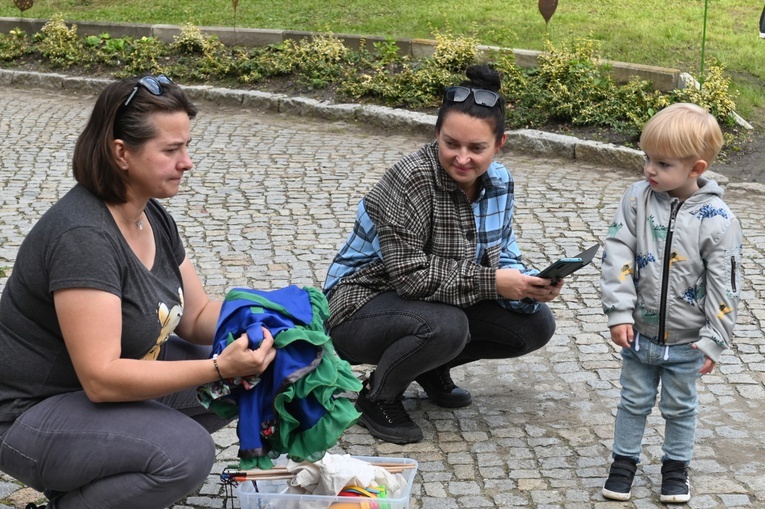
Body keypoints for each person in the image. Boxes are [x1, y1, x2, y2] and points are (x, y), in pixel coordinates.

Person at [0, 75, 276, 509]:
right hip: (30, 414)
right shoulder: (83, 237)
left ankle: (95, 476)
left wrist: (273, 315)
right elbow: (102, 378)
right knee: (184, 453)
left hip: (92, 393)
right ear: (121, 153)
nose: (188, 162)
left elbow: (198, 315)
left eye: (186, 146)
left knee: (250, 377)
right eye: (171, 150)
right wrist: (220, 368)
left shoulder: (152, 217)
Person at [322, 64, 563, 445]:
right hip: (358, 304)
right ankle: (378, 396)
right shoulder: (411, 179)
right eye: (451, 144)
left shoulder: (500, 182)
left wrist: (528, 284)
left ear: (499, 144)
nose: (462, 158)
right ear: (436, 135)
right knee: (447, 326)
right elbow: (410, 277)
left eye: (477, 148)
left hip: (434, 301)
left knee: (534, 326)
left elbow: (503, 253)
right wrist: (494, 282)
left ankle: (427, 365)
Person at [599, 103, 743, 503]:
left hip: (687, 342)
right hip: (639, 335)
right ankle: (623, 461)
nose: (649, 169)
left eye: (662, 163)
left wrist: (715, 339)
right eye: (647, 158)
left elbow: (725, 284)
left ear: (696, 168)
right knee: (633, 401)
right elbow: (617, 255)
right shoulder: (636, 200)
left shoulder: (719, 220)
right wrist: (619, 312)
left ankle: (676, 468)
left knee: (681, 408)